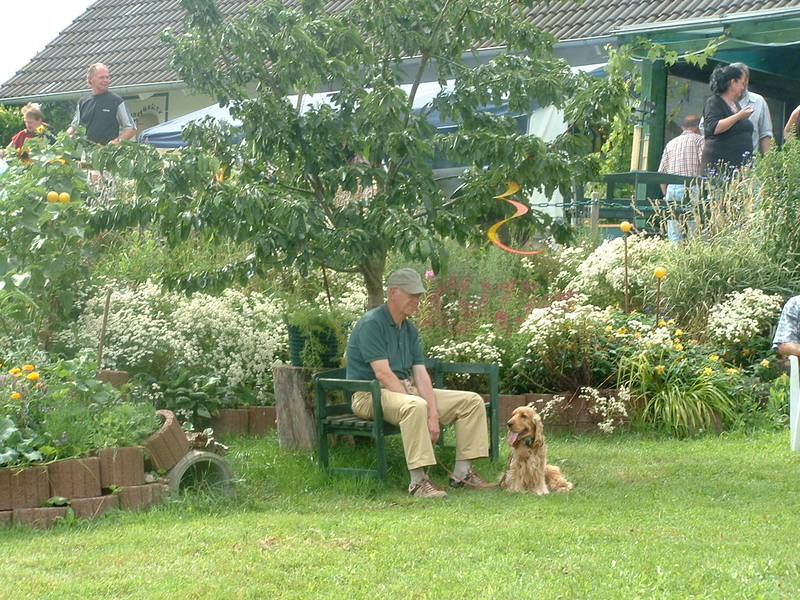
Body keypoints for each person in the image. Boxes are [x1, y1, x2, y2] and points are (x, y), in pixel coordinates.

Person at [345, 268, 492, 498]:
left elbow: (421, 374)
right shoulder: (371, 324)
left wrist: (432, 414)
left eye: (419, 295)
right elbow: (383, 374)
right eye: (411, 294)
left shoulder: (409, 329)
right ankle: (418, 483)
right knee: (415, 406)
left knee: (471, 401)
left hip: (405, 390)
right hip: (369, 395)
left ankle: (462, 475)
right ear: (392, 292)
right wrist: (419, 404)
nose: (416, 300)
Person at [702, 64, 754, 174]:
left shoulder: (736, 105)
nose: (743, 88)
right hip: (719, 167)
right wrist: (739, 116)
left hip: (738, 169)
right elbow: (714, 127)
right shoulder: (714, 102)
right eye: (741, 83)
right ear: (732, 82)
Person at [657, 114, 703, 241]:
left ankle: (675, 252)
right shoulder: (699, 140)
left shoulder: (671, 144)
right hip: (691, 188)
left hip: (672, 189)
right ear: (698, 127)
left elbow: (661, 174)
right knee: (693, 231)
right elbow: (705, 167)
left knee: (674, 232)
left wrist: (665, 194)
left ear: (683, 127)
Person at [67, 63, 136, 145]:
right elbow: (74, 127)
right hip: (86, 152)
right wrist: (63, 138)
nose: (106, 80)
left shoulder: (116, 101)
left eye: (107, 77)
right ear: (91, 79)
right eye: (102, 77)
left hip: (108, 152)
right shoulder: (83, 102)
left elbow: (131, 129)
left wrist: (116, 142)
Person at [729, 63, 773, 155]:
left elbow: (766, 135)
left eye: (742, 81)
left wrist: (768, 161)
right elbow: (706, 128)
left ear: (747, 80)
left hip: (750, 159)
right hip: (724, 159)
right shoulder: (720, 101)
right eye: (735, 80)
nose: (741, 85)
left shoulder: (759, 101)